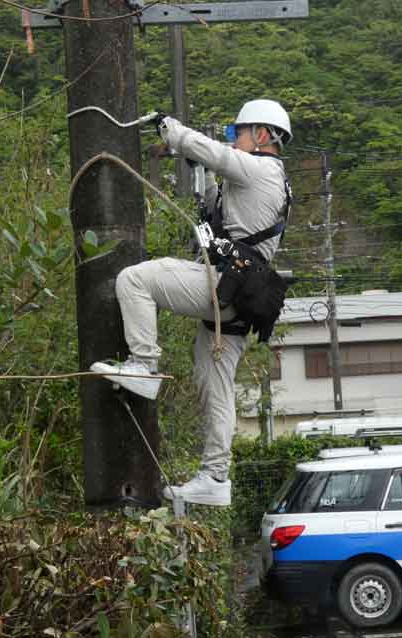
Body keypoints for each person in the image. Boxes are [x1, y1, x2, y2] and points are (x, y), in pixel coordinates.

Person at [90, 99, 293, 507]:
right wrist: (199, 175)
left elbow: (213, 153)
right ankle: (216, 477)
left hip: (227, 283)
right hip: (239, 295)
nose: (235, 139)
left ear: (265, 136)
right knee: (215, 388)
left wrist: (174, 131)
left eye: (241, 132)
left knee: (135, 279)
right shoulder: (255, 180)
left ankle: (144, 365)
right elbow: (218, 197)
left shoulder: (262, 170)